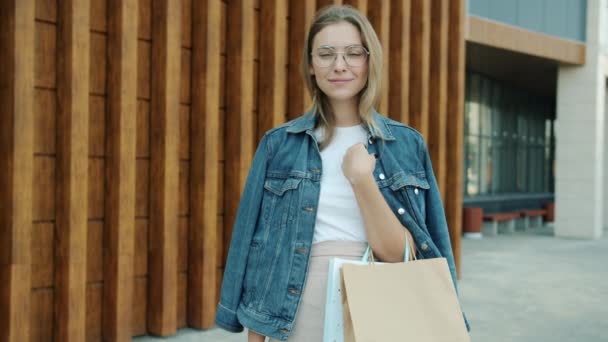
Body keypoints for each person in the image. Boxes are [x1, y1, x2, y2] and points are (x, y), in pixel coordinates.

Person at [215, 5, 468, 341]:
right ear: (310, 64)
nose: (339, 65)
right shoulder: (279, 145)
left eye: (353, 53)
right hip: (294, 311)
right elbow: (252, 243)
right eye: (325, 54)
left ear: (369, 61)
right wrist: (255, 333)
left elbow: (401, 254)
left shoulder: (405, 145)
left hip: (378, 303)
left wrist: (362, 180)